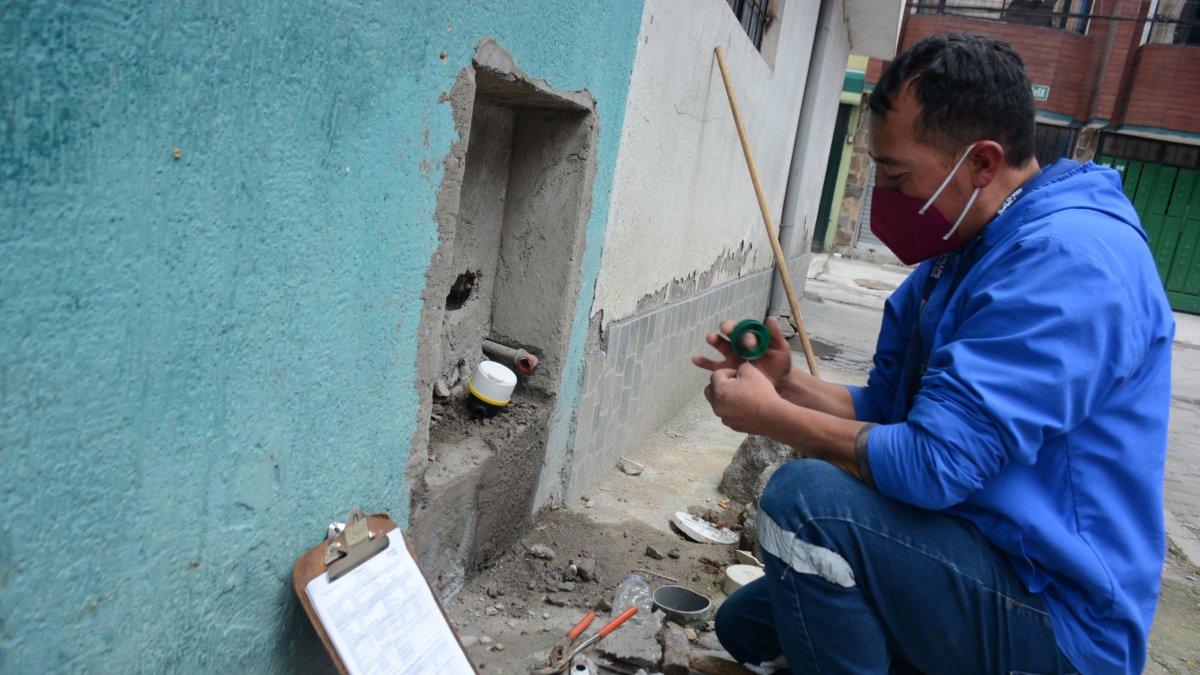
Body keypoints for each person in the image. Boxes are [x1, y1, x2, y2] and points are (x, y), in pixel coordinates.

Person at [694, 33, 1174, 674]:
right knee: (748, 626)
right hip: (978, 553)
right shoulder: (967, 249)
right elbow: (897, 414)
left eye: (896, 176)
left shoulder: (1070, 262)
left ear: (981, 162)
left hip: (1058, 618)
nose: (883, 198)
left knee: (805, 504)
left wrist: (771, 419)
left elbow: (933, 462)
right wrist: (787, 385)